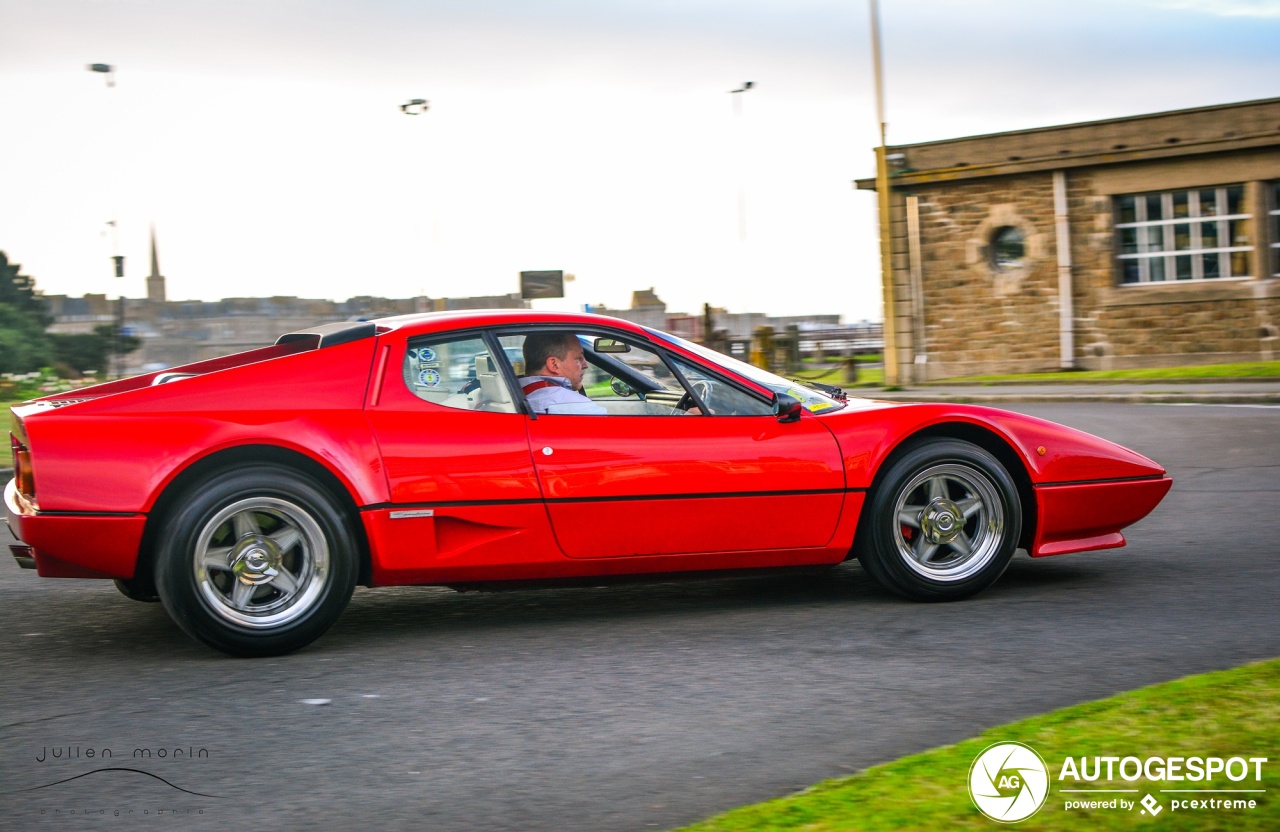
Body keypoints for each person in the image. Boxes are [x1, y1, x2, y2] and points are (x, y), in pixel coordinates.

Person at [519, 332, 607, 415]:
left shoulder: (514, 394)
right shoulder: (582, 408)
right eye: (578, 358)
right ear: (554, 365)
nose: (585, 365)